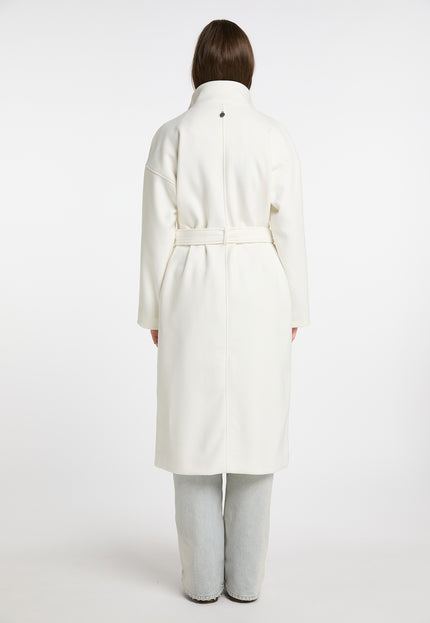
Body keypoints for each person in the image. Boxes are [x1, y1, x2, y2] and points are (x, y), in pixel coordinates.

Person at [137, 19, 310, 603]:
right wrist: (296, 304)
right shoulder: (274, 136)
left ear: (197, 67)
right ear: (247, 67)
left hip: (189, 284)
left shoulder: (171, 135)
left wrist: (153, 310)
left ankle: (201, 582)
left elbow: (155, 234)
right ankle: (246, 583)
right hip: (263, 285)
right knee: (257, 431)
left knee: (191, 436)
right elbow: (290, 229)